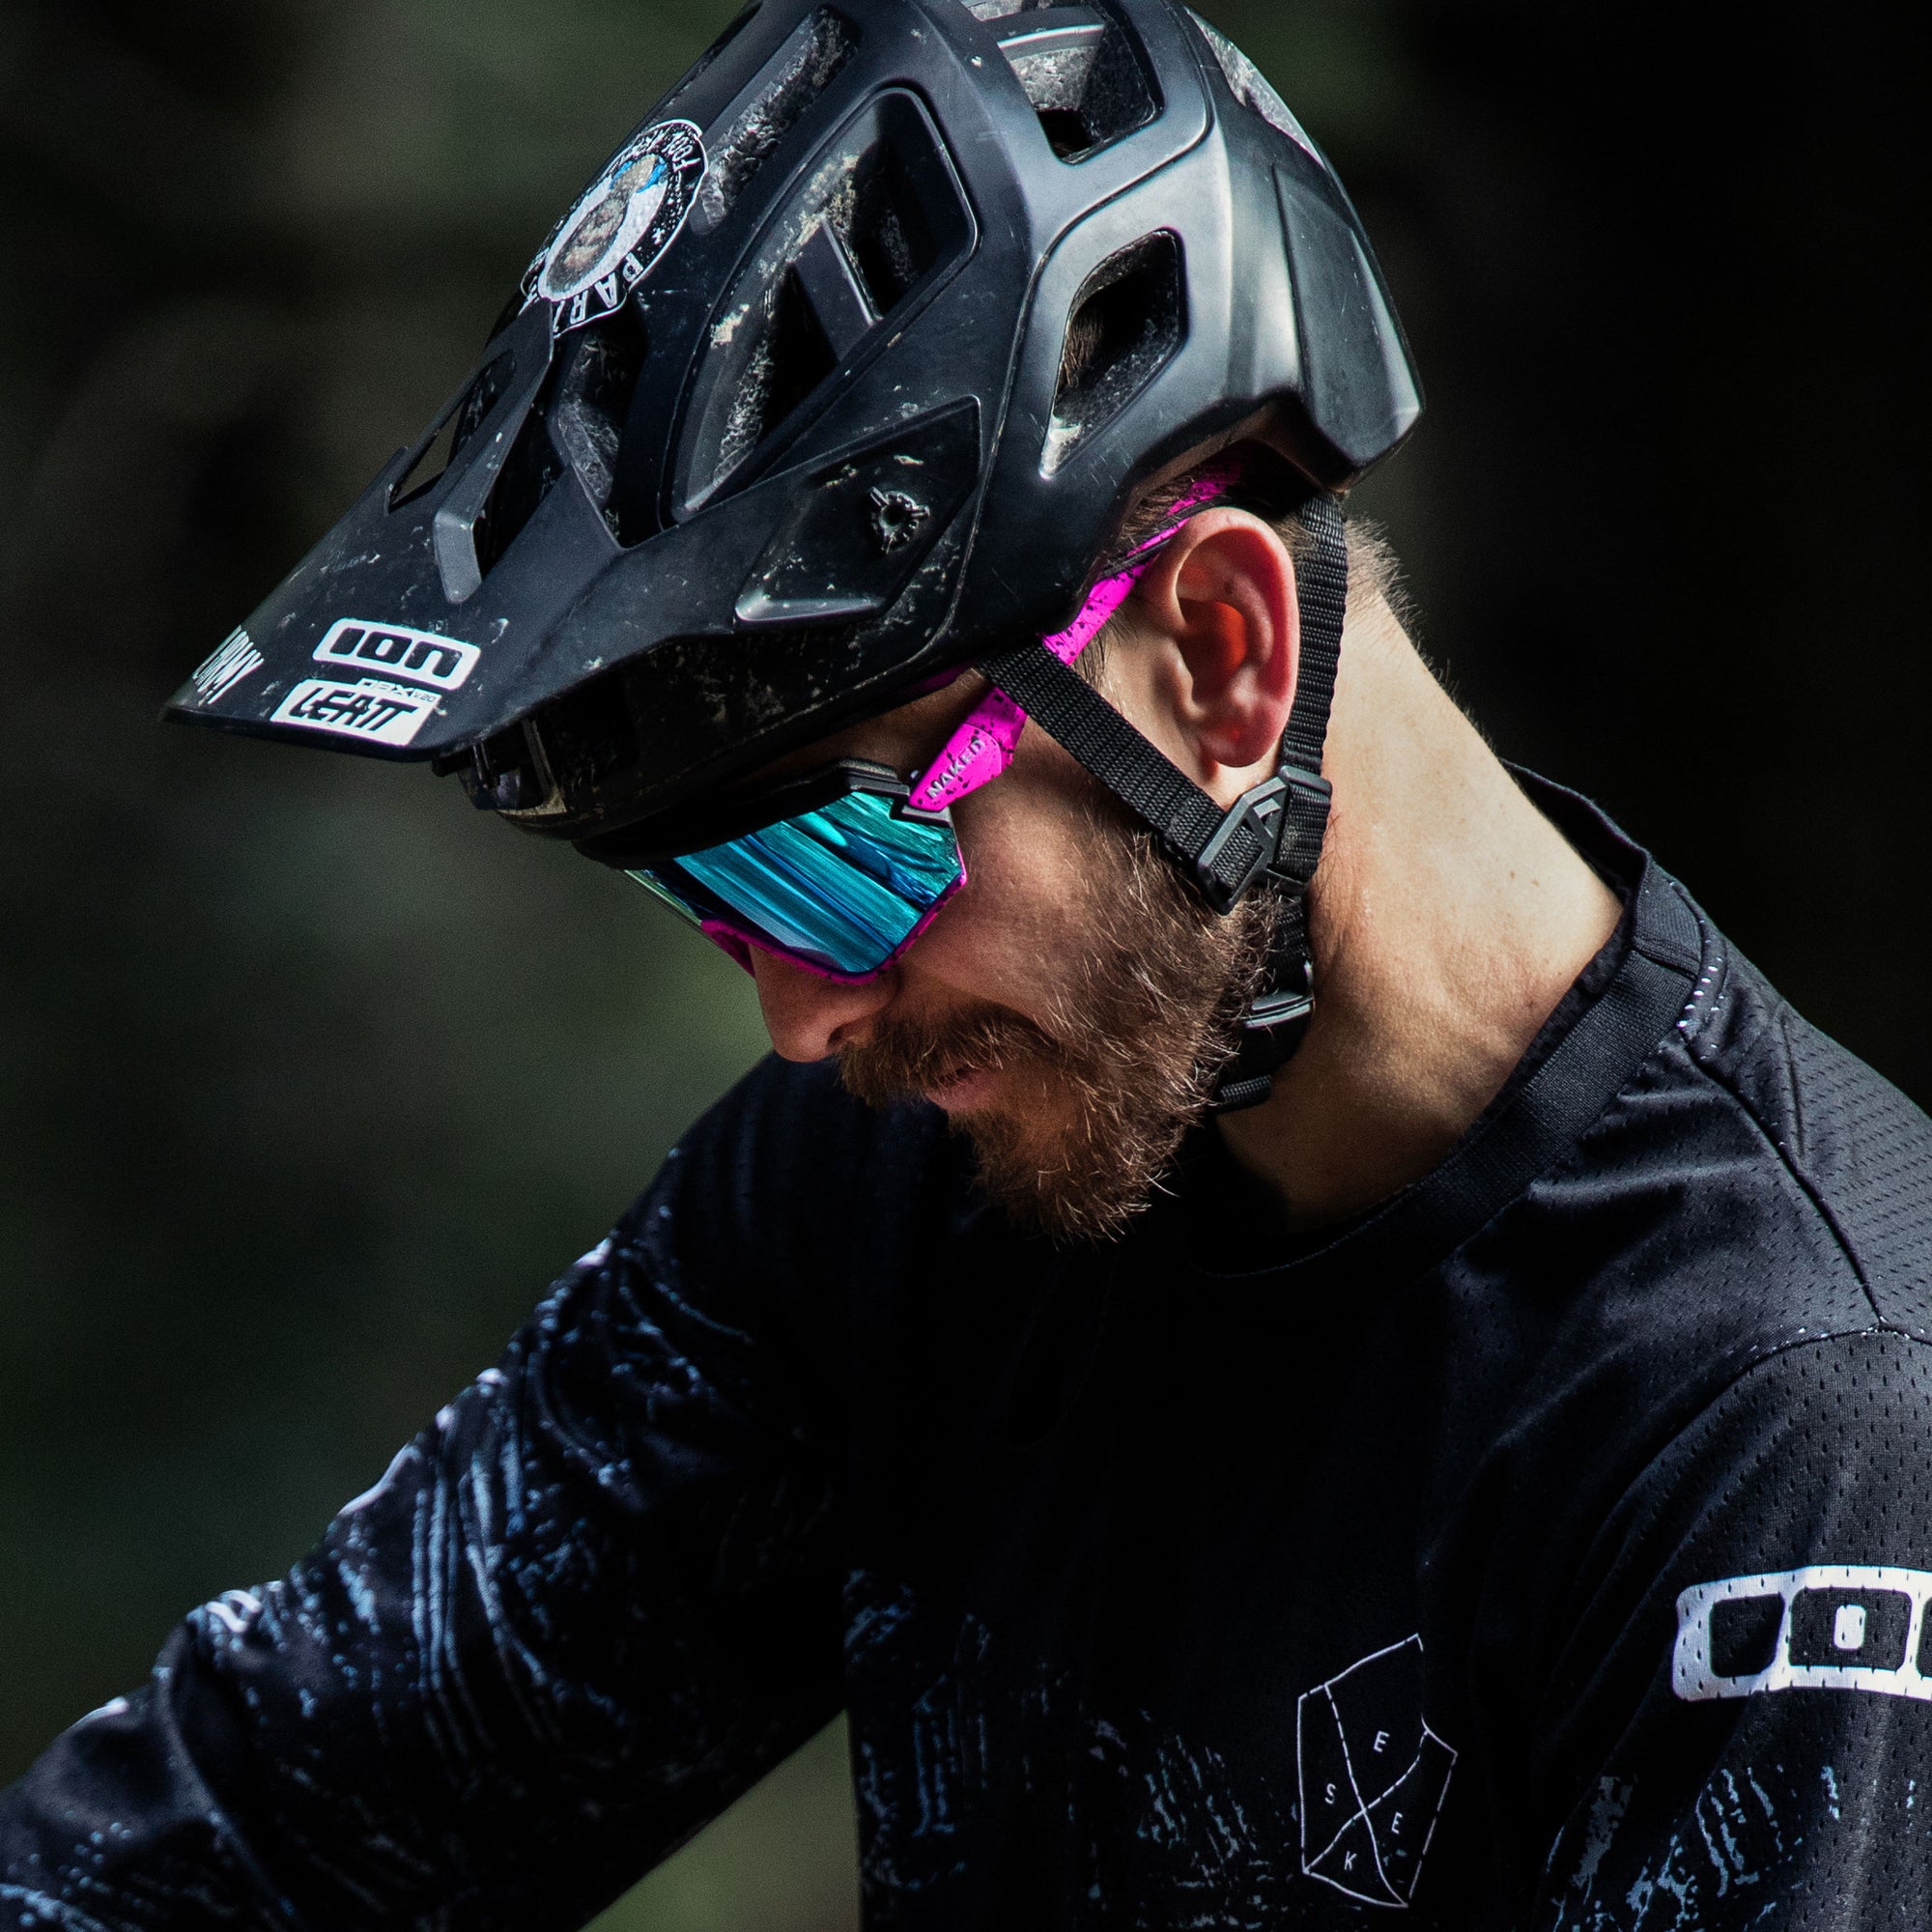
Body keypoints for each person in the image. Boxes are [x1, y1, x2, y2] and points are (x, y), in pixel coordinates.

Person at [6, 1, 1932, 1926]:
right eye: (702, 896)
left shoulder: (1793, 1435)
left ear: (1223, 658)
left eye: (828, 856)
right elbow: (254, 1829)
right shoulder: (912, 1182)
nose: (800, 1014)